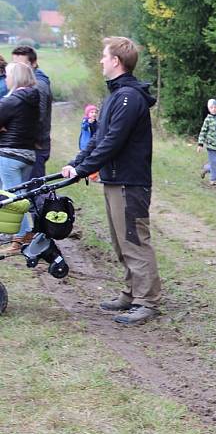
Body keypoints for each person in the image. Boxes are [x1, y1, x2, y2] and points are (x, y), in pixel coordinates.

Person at [61, 37, 162, 326]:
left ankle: (147, 301)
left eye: (104, 56)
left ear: (116, 61)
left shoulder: (129, 98)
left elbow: (113, 142)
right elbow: (99, 139)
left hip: (130, 181)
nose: (101, 61)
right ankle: (131, 293)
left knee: (134, 240)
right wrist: (76, 163)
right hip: (116, 180)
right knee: (121, 241)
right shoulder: (116, 96)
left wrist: (83, 170)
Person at [0, 62, 39, 254]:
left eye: (7, 75)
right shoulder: (32, 99)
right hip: (27, 154)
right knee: (18, 195)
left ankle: (20, 239)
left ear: (14, 77)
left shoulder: (12, 100)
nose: (5, 79)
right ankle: (23, 234)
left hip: (9, 154)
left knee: (12, 199)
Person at [11, 46, 52, 179]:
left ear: (33, 64)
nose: (17, 68)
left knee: (34, 191)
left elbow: (37, 117)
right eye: (14, 64)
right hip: (28, 145)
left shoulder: (38, 86)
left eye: (22, 64)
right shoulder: (25, 83)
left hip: (36, 146)